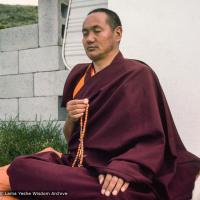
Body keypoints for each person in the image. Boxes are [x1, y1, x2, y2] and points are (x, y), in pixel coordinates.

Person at [0, 8, 200, 200]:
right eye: (85, 33)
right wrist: (71, 119)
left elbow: (152, 140)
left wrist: (124, 168)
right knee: (20, 167)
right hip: (81, 167)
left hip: (117, 168)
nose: (89, 39)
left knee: (118, 192)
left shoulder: (137, 75)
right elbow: (74, 141)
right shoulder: (78, 75)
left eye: (97, 31)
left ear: (117, 33)